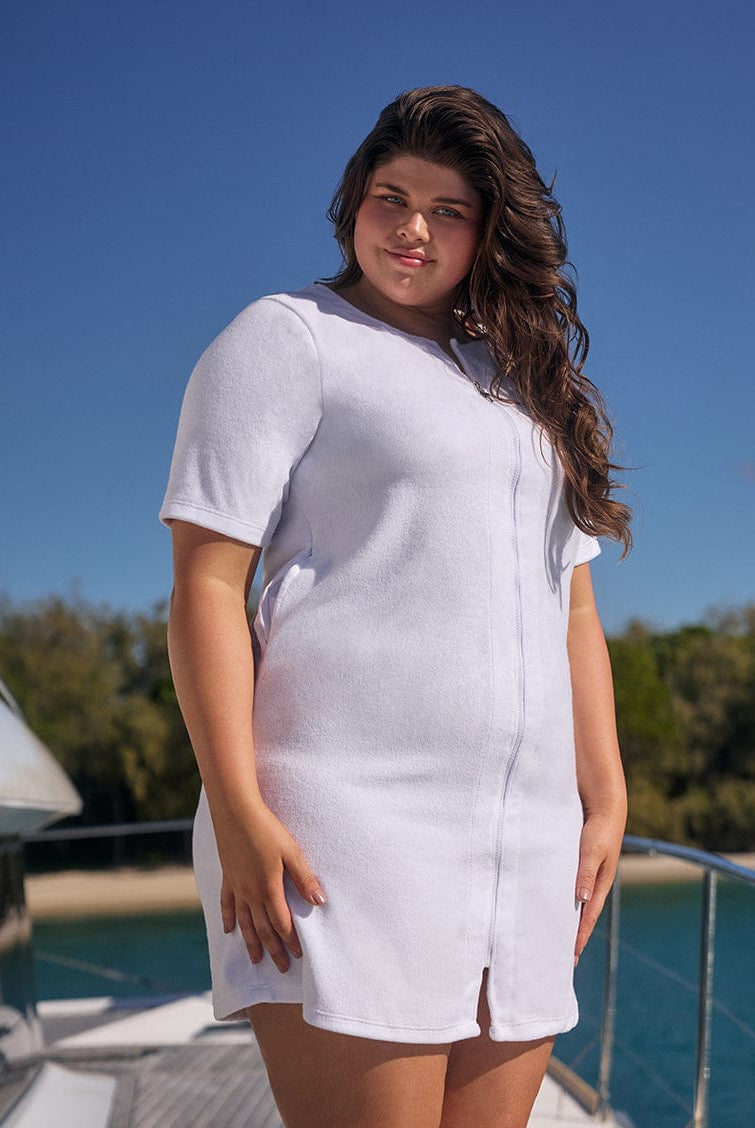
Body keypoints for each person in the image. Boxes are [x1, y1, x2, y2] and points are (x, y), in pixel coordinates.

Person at [160, 84, 630, 1128]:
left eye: (446, 209)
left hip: (522, 843)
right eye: (389, 196)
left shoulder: (521, 385)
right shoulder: (287, 339)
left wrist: (604, 796)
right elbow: (204, 586)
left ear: (487, 232)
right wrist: (238, 810)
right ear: (351, 204)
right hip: (339, 831)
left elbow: (572, 610)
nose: (411, 228)